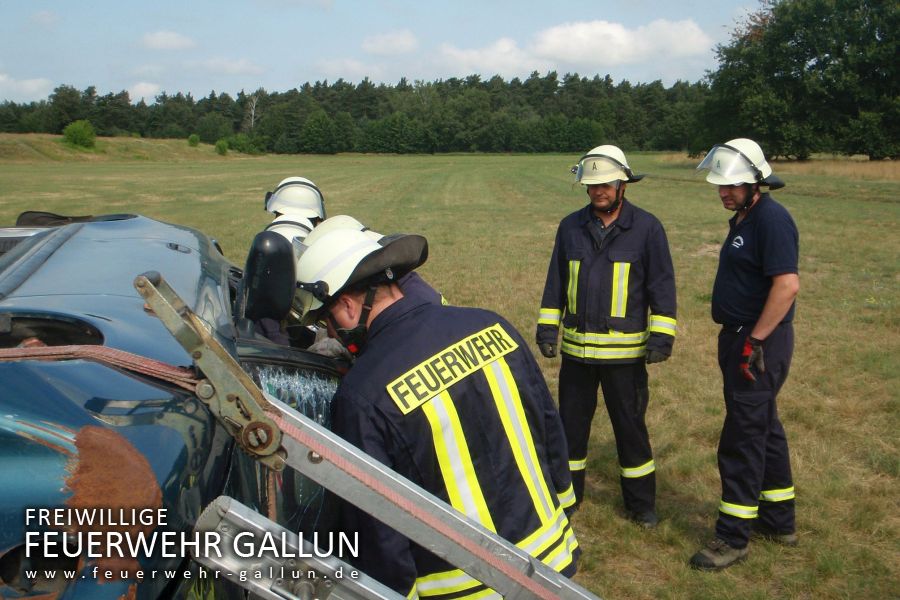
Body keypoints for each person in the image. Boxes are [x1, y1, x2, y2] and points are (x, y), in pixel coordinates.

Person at [294, 228, 579, 598]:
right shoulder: (492, 324)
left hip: (466, 589)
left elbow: (379, 526)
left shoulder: (361, 394)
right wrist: (565, 509)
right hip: (551, 565)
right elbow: (548, 425)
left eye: (327, 322)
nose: (332, 333)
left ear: (348, 305)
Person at [536, 145, 677, 527]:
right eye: (592, 185)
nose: (598, 192)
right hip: (577, 356)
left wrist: (662, 337)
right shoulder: (570, 227)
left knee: (631, 430)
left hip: (626, 359)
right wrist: (548, 327)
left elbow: (662, 286)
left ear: (622, 185)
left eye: (605, 185)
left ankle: (641, 505)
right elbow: (556, 282)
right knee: (571, 430)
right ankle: (567, 498)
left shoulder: (648, 229)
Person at [690, 138, 799, 571]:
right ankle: (778, 520)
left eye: (733, 185)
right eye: (720, 185)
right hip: (743, 339)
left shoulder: (771, 219)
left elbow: (787, 286)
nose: (724, 192)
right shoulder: (745, 217)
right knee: (764, 428)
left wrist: (754, 342)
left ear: (757, 181)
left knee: (742, 438)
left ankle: (732, 538)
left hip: (757, 344)